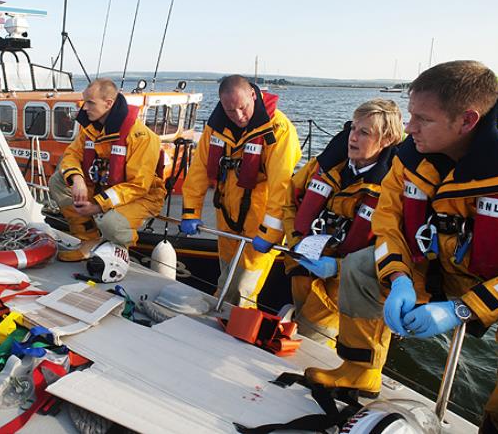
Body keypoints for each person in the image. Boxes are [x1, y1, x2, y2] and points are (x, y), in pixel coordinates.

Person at [304, 61, 498, 433]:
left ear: (467, 120)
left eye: (423, 119)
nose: (408, 127)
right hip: (437, 267)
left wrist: (462, 310)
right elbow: (386, 222)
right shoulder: (410, 158)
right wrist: (400, 278)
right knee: (359, 265)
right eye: (410, 114)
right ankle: (360, 370)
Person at [282, 99, 403, 345]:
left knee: (311, 339)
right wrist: (296, 240)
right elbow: (289, 202)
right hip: (303, 267)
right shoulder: (323, 166)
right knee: (300, 334)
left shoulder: (394, 189)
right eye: (352, 128)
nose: (353, 137)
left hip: (341, 284)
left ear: (387, 139)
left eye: (364, 132)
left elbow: (392, 245)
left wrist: (338, 267)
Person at [179, 75, 301, 307]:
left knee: (244, 287)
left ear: (253, 95)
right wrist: (190, 212)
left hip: (260, 219)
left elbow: (281, 186)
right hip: (226, 215)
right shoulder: (216, 128)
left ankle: (238, 329)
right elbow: (198, 171)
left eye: (242, 108)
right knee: (225, 279)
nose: (238, 116)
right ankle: (220, 324)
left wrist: (270, 233)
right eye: (230, 110)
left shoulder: (278, 129)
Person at [49, 78, 166, 261]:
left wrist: (96, 206)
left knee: (111, 223)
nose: (84, 108)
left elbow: (138, 185)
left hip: (141, 196)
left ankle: (119, 252)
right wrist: (77, 179)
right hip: (103, 190)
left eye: (90, 103)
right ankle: (88, 241)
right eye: (84, 101)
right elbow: (71, 156)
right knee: (57, 181)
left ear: (108, 103)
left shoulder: (143, 137)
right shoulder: (90, 129)